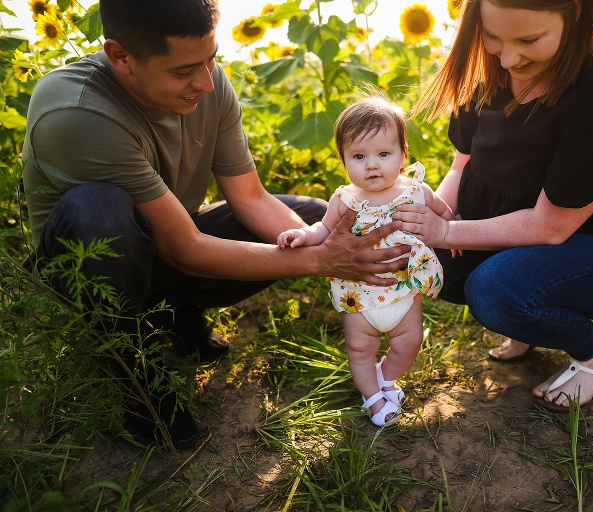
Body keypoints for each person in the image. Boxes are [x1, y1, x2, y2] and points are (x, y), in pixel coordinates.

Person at [21, 0, 410, 449]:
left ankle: (177, 314)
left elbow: (249, 197)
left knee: (309, 218)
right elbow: (183, 247)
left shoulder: (206, 82)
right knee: (98, 209)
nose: (206, 82)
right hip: (91, 268)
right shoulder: (76, 112)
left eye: (211, 60)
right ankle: (133, 371)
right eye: (185, 70)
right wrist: (323, 261)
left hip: (169, 238)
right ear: (120, 56)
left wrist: (338, 247)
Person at [396, 0, 593, 412]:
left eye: (528, 40)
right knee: (427, 264)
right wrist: (436, 217)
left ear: (574, 13)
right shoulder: (487, 69)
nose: (508, 58)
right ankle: (529, 318)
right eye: (493, 37)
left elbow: (550, 226)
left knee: (494, 292)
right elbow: (461, 164)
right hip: (525, 234)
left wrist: (448, 233)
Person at [277, 96, 453, 426]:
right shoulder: (345, 198)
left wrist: (452, 234)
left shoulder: (416, 190)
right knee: (360, 348)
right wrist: (303, 235)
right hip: (358, 291)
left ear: (403, 155)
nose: (371, 165)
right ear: (344, 161)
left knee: (410, 342)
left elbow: (444, 215)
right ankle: (373, 400)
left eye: (383, 154)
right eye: (359, 156)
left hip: (403, 288)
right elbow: (324, 228)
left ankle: (386, 379)